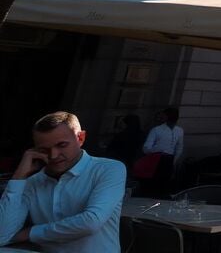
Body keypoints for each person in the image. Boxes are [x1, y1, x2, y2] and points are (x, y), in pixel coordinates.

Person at [0, 111, 126, 252]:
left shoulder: (108, 169)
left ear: (80, 138)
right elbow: (2, 236)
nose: (53, 155)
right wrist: (19, 177)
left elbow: (91, 222)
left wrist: (28, 234)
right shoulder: (33, 182)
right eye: (44, 149)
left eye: (62, 145)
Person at [142, 106, 184, 197]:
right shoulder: (157, 130)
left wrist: (174, 160)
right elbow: (146, 148)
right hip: (157, 159)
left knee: (166, 183)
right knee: (155, 183)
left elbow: (179, 146)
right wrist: (158, 150)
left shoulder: (179, 131)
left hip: (169, 159)